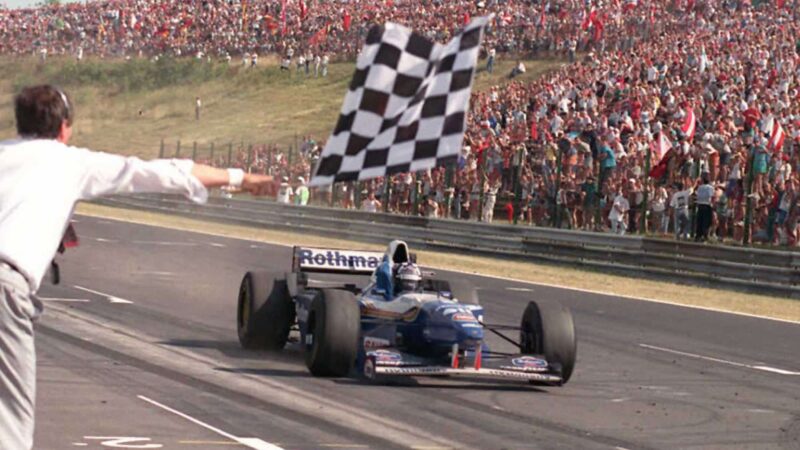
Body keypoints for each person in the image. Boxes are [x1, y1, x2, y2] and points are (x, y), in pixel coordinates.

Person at [0, 85, 277, 450]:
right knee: (11, 424)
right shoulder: (71, 162)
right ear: (65, 128)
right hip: (7, 287)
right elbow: (165, 173)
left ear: (20, 124)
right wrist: (241, 178)